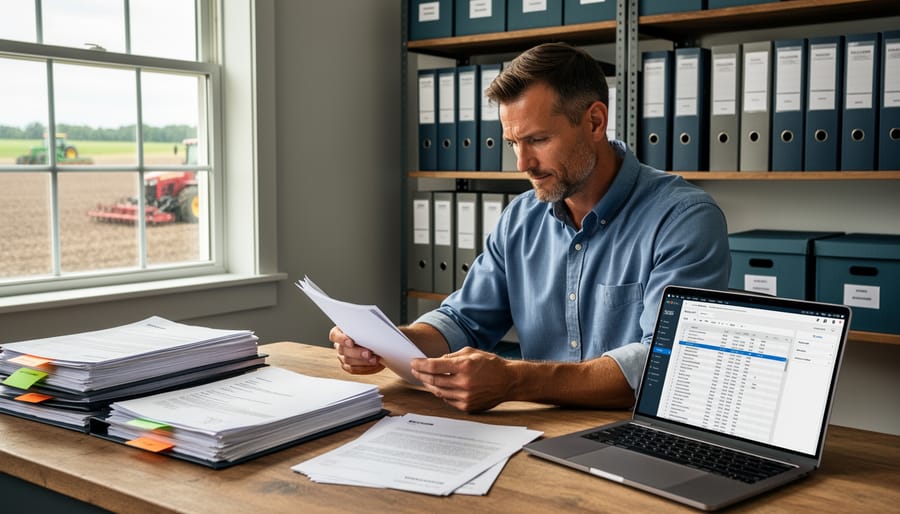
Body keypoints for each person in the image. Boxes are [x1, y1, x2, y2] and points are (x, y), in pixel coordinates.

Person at [331, 42, 730, 413]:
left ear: (595, 122)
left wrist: (513, 380)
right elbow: (465, 320)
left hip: (633, 434)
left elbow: (664, 361)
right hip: (537, 431)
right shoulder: (521, 217)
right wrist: (387, 342)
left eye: (538, 140)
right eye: (513, 143)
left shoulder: (684, 219)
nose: (523, 164)